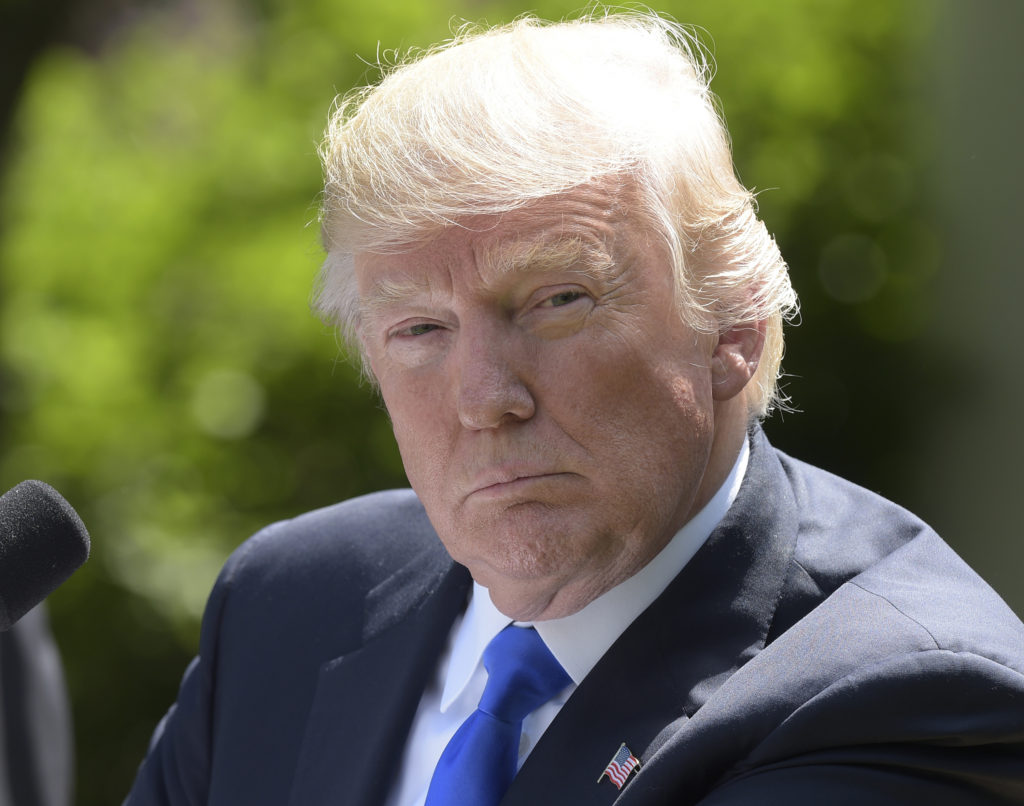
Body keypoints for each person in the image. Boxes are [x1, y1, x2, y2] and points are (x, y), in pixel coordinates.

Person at [124, 11, 1024, 806]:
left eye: (557, 301)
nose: (485, 399)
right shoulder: (287, 606)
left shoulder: (902, 693)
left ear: (733, 328)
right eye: (420, 328)